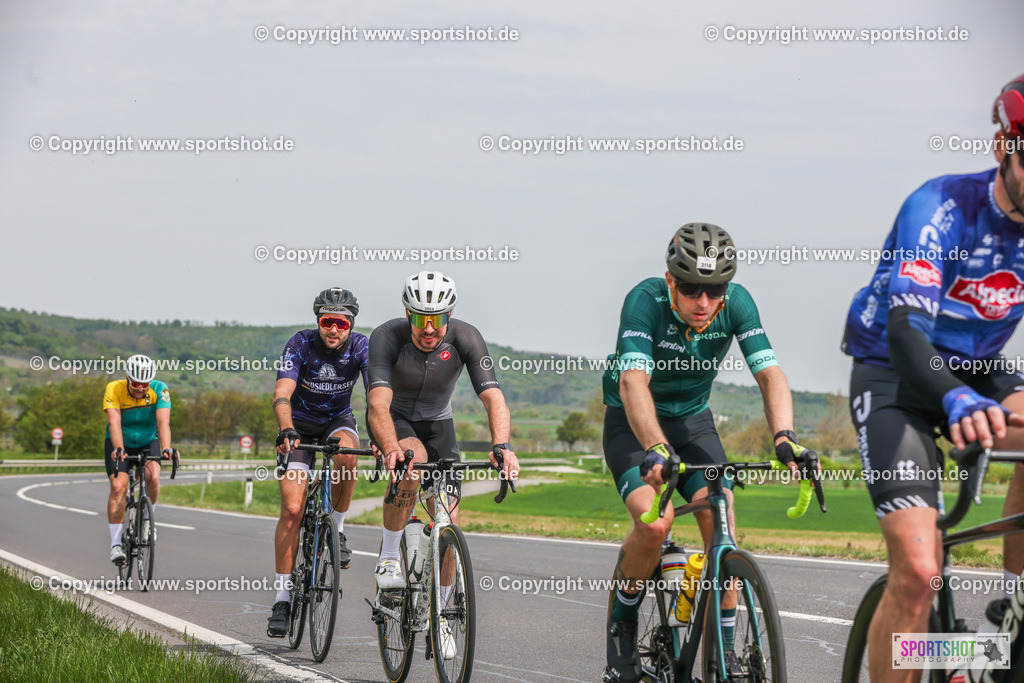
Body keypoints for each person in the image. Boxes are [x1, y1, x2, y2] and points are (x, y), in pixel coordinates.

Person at [841, 74, 1024, 681]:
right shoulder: (941, 207)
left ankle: (1010, 619)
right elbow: (906, 332)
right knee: (920, 575)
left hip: (978, 369)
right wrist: (955, 397)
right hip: (896, 370)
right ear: (1003, 148)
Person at [601, 223, 811, 682]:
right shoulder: (645, 301)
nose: (703, 301)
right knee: (655, 524)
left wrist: (784, 436)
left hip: (694, 422)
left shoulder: (737, 304)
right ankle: (622, 626)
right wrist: (655, 446)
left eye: (715, 291)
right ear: (671, 281)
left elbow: (770, 375)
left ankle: (725, 656)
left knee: (723, 523)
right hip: (634, 424)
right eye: (692, 288)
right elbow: (633, 381)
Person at [367, 271, 519, 656]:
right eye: (421, 318)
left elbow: (494, 398)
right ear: (408, 314)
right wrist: (390, 448)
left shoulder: (467, 337)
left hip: (440, 425)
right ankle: (388, 558)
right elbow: (377, 404)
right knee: (413, 463)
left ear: (449, 315)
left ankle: (443, 617)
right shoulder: (387, 336)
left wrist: (502, 444)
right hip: (396, 421)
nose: (429, 328)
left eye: (438, 318)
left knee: (449, 522)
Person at [266, 287, 369, 638]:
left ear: (351, 324)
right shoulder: (300, 344)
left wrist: (383, 436)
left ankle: (337, 528)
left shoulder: (361, 347)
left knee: (347, 456)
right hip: (298, 425)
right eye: (327, 322)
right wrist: (287, 428)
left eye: (342, 323)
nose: (334, 329)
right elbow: (282, 393)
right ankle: (282, 599)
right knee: (293, 510)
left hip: (338, 421)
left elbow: (376, 396)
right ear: (318, 321)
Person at [104, 354, 177, 565]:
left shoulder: (160, 389)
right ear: (127, 378)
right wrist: (119, 448)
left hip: (147, 441)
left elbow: (163, 422)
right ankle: (116, 545)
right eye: (135, 383)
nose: (140, 388)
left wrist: (167, 448)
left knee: (152, 476)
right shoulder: (114, 388)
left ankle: (147, 520)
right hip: (120, 442)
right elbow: (114, 421)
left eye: (144, 384)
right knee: (118, 487)